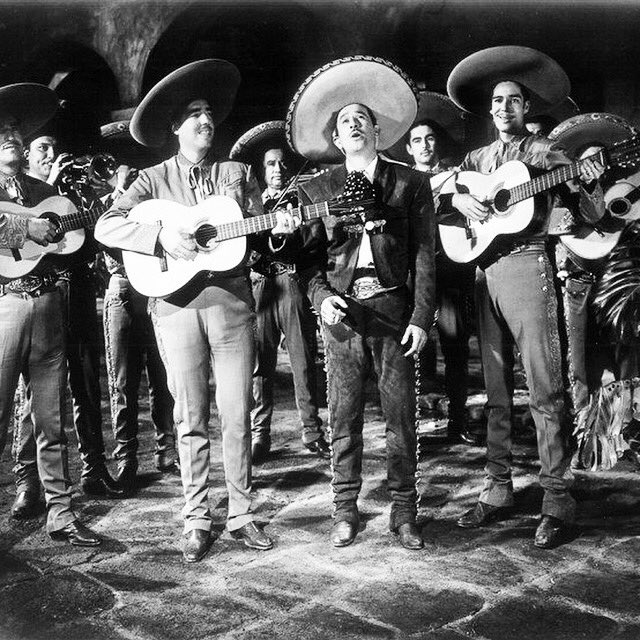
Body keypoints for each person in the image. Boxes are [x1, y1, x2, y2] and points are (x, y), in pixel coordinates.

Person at [95, 59, 294, 563]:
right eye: (194, 114)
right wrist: (159, 235)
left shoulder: (236, 173)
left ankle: (242, 513)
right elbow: (106, 226)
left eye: (209, 113)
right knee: (190, 416)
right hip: (175, 306)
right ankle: (197, 517)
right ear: (175, 127)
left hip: (231, 304)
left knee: (237, 412)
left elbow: (259, 233)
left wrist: (279, 228)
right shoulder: (152, 179)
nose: (206, 120)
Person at [443, 46, 606, 548]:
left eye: (513, 100)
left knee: (543, 386)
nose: (503, 108)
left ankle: (557, 497)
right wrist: (459, 198)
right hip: (483, 271)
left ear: (526, 107)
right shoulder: (476, 159)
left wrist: (588, 182)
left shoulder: (545, 154)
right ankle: (497, 488)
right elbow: (443, 198)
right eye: (497, 101)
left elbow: (592, 213)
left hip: (527, 264)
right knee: (494, 390)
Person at [287, 56, 436, 549]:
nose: (352, 124)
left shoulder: (410, 183)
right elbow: (308, 263)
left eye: (361, 118)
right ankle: (345, 509)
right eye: (344, 121)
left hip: (393, 310)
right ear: (335, 138)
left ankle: (405, 512)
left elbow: (424, 254)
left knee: (401, 417)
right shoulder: (317, 189)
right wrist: (322, 298)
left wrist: (421, 317)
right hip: (342, 314)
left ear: (377, 131)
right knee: (343, 416)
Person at [0, 82, 101, 546]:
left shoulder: (44, 190)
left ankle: (61, 513)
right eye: (1, 130)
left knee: (51, 418)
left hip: (48, 307)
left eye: (15, 130)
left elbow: (70, 245)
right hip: (5, 307)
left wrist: (89, 221)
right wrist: (27, 228)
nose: (11, 136)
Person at [11, 119, 123, 514]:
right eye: (42, 148)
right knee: (35, 395)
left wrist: (103, 204)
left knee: (87, 383)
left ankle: (94, 468)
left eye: (53, 148)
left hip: (76, 292)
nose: (50, 155)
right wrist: (50, 193)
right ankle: (29, 480)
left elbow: (90, 243)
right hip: (38, 295)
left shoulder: (67, 192)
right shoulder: (18, 193)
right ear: (27, 156)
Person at [229, 120, 329, 463]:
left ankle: (312, 431)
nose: (278, 169)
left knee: (303, 360)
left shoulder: (303, 201)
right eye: (270, 164)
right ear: (261, 170)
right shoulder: (249, 206)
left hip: (291, 282)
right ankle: (260, 434)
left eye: (283, 163)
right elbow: (244, 250)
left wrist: (294, 234)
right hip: (259, 286)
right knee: (260, 365)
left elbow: (315, 244)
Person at [99, 109, 178, 491]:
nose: (128, 169)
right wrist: (117, 193)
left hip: (157, 289)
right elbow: (104, 241)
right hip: (121, 290)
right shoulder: (103, 202)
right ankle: (127, 459)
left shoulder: (154, 194)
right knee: (123, 381)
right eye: (120, 161)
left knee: (162, 376)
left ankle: (166, 450)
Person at [400, 93, 477, 445]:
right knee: (411, 348)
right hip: (412, 274)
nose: (424, 145)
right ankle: (411, 426)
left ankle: (457, 421)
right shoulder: (402, 183)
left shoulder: (455, 177)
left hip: (449, 269)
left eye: (429, 138)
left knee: (455, 346)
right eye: (417, 140)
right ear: (408, 149)